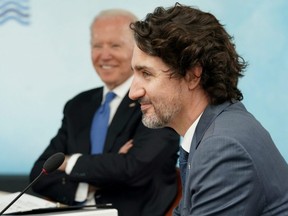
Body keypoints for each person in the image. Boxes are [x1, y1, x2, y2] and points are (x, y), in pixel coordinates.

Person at [129, 3, 288, 216]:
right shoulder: (215, 130)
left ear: (193, 75)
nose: (133, 92)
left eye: (146, 74)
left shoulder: (223, 146)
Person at [30, 9, 180, 216]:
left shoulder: (156, 101)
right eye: (97, 45)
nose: (104, 55)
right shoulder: (78, 105)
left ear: (138, 50)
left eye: (115, 45)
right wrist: (88, 185)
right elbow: (40, 172)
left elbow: (133, 168)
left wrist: (69, 161)